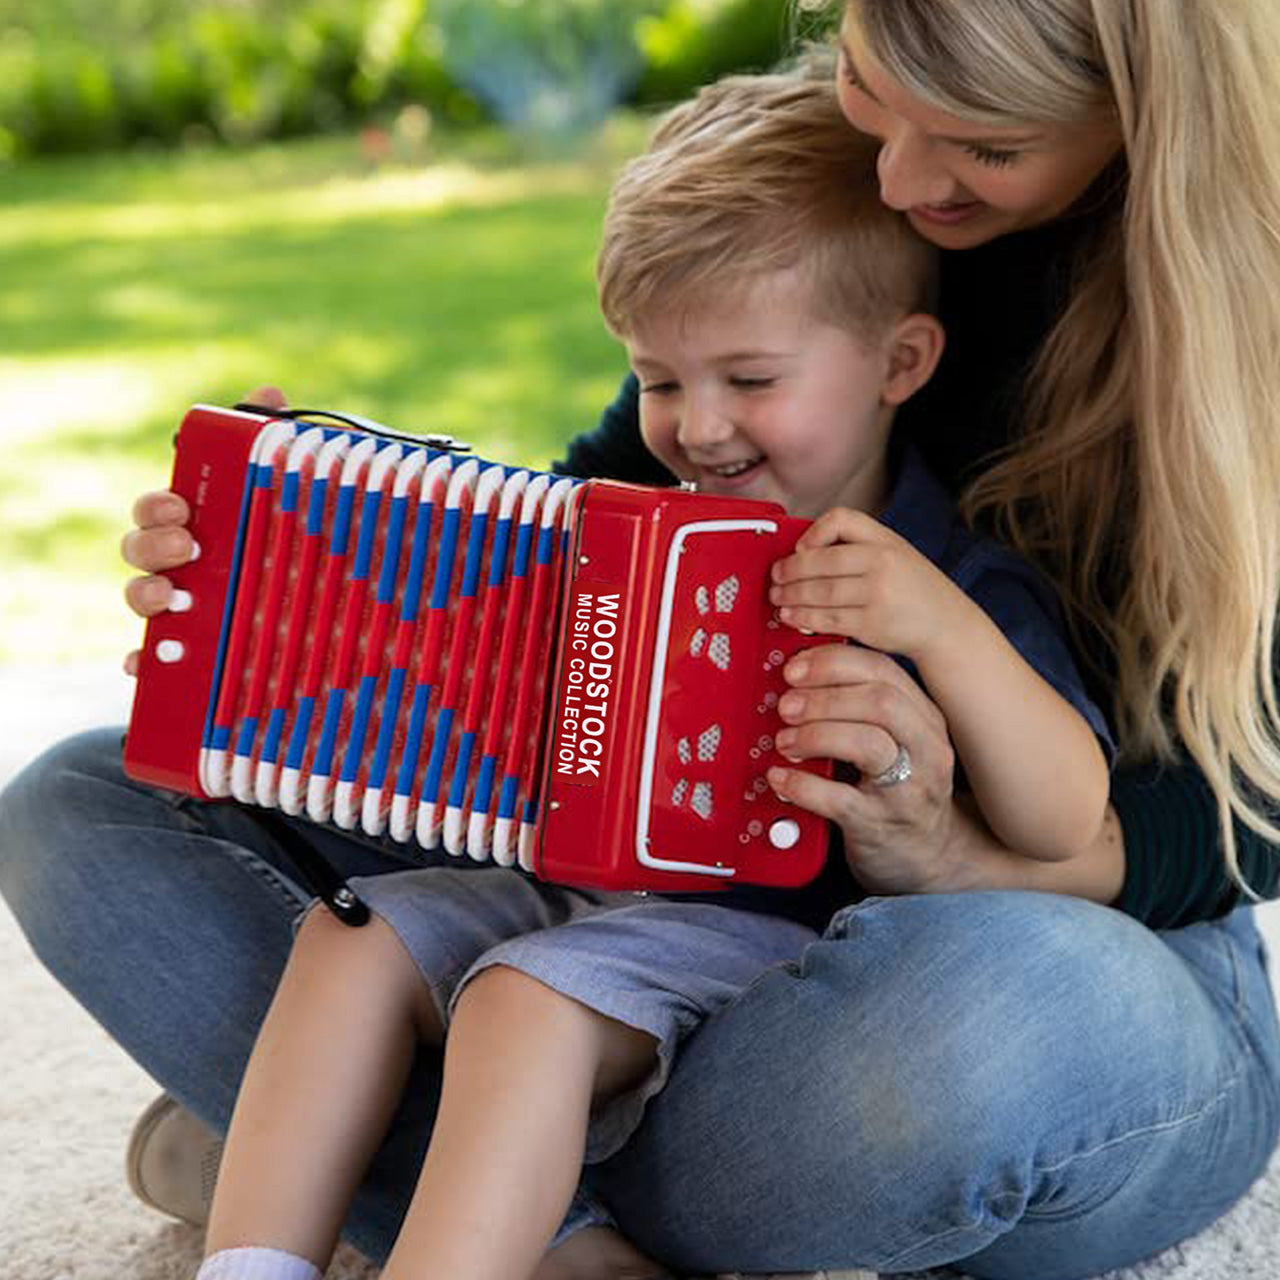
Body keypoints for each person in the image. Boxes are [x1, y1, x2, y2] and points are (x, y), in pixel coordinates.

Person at [3, 2, 1280, 1277]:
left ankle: (379, 1162)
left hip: (977, 948)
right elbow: (549, 559)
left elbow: (1134, 814)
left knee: (969, 1030)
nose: (894, 178)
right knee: (79, 805)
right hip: (602, 887)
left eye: (978, 146)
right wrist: (284, 571)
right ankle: (522, 1227)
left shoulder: (950, 563)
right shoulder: (820, 220)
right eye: (866, 85)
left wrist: (941, 834)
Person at [180, 64, 1113, 1280]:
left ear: (901, 361)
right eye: (659, 380)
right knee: (350, 935)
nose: (699, 426)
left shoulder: (949, 576)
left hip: (781, 948)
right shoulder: (620, 535)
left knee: (522, 996)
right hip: (577, 888)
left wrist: (941, 632)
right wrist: (283, 536)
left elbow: (1063, 823)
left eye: (751, 379)